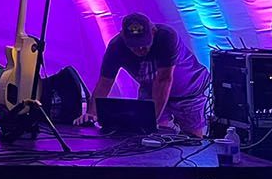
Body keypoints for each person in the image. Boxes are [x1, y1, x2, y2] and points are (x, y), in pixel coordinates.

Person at [83, 12, 211, 137]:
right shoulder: (116, 46)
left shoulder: (167, 36)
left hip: (189, 90)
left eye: (144, 43)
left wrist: (150, 121)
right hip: (151, 90)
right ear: (122, 36)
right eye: (134, 45)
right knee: (151, 138)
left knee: (193, 140)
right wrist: (91, 114)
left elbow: (164, 79)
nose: (140, 49)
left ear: (153, 32)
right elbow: (104, 83)